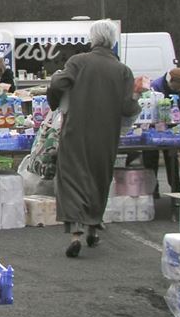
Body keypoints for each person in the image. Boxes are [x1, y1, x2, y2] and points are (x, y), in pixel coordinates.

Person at [47, 20, 142, 258]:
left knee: (71, 178)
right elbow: (128, 107)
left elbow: (58, 83)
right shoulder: (123, 70)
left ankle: (76, 232)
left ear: (93, 38)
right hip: (106, 135)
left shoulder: (78, 61)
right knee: (99, 179)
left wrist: (55, 101)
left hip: (76, 131)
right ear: (113, 40)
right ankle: (93, 227)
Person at [142, 67, 180, 196]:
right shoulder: (155, 87)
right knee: (150, 160)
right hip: (153, 129)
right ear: (171, 82)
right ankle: (152, 191)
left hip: (174, 129)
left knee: (172, 159)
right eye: (177, 88)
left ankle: (176, 188)